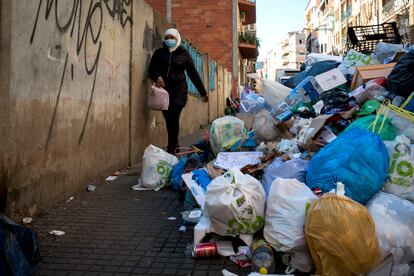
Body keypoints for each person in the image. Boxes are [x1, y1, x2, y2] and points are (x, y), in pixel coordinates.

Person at [148, 28, 208, 154]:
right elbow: (151, 69)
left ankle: (171, 148)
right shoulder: (159, 53)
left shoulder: (183, 53)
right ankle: (175, 145)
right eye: (167, 37)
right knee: (169, 119)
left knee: (173, 116)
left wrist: (203, 93)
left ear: (177, 39)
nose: (169, 40)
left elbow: (193, 74)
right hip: (164, 91)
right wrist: (158, 77)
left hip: (179, 90)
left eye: (172, 37)